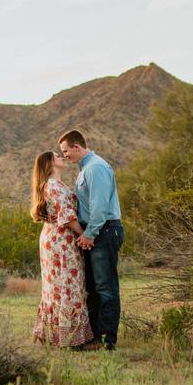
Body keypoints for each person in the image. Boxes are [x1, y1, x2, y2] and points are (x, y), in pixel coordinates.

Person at [58, 130, 124, 351]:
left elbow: (100, 207)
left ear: (77, 147)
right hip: (97, 231)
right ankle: (94, 336)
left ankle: (106, 340)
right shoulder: (86, 168)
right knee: (94, 288)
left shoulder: (95, 168)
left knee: (105, 288)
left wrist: (89, 233)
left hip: (103, 230)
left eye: (66, 151)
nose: (65, 155)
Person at [30, 151, 94, 349]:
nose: (62, 157)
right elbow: (68, 217)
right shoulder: (53, 186)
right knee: (67, 285)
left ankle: (57, 334)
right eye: (58, 156)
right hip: (60, 241)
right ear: (50, 164)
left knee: (59, 287)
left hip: (56, 239)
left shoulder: (56, 185)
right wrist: (85, 235)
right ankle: (69, 338)